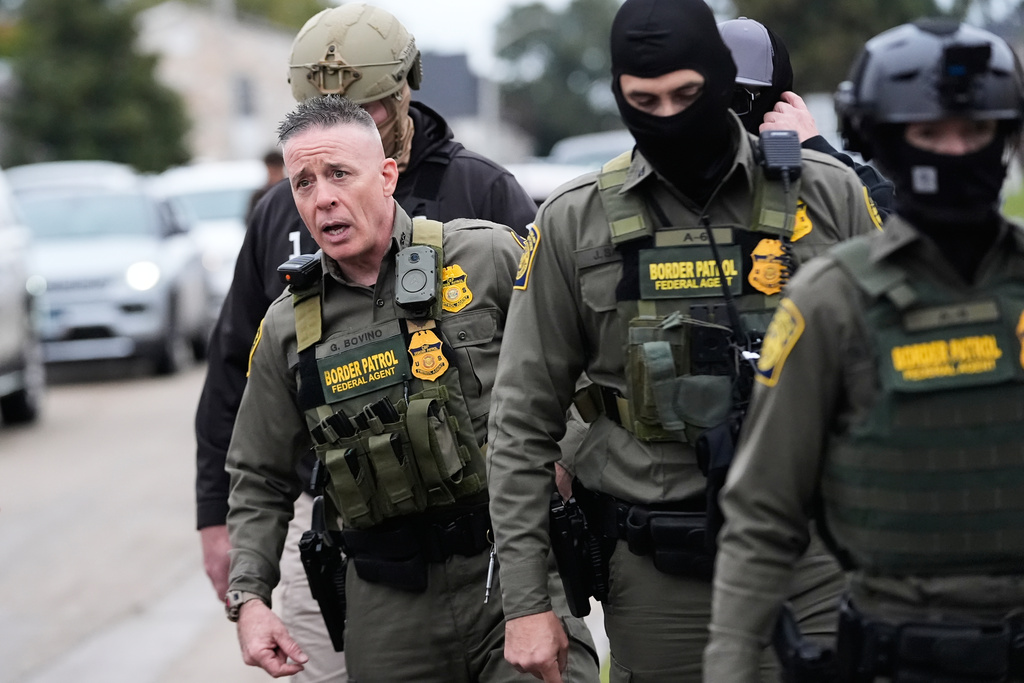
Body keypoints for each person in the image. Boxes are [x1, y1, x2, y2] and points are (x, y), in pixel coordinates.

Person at [486, 0, 883, 680]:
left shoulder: (826, 191)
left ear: (721, 78)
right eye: (644, 100)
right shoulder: (574, 222)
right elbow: (522, 418)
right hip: (661, 572)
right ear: (619, 94)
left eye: (686, 94)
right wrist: (527, 601)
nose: (667, 116)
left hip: (816, 552)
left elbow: (892, 372)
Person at [195, 5, 538, 681]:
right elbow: (240, 392)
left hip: (501, 545)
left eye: (366, 112)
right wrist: (238, 565)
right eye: (304, 182)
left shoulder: (484, 212)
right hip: (357, 537)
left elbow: (564, 361)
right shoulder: (280, 250)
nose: (322, 198)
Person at [224, 95, 598, 682]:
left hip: (511, 571)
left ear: (388, 174)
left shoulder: (485, 256)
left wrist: (566, 471)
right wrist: (249, 598)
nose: (322, 198)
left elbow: (579, 378)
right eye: (303, 184)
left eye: (339, 174)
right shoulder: (286, 328)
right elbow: (259, 474)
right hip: (387, 602)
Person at [705, 19, 1024, 681]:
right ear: (883, 142)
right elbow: (762, 513)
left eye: (976, 131)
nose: (955, 152)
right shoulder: (832, 299)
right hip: (897, 652)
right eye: (927, 134)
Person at [718, 16, 895, 216]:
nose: (719, 116)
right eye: (703, 98)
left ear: (775, 102)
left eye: (735, 99)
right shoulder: (680, 175)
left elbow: (892, 233)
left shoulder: (822, 177)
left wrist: (815, 148)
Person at [245, 149, 286, 222]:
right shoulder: (260, 196)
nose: (274, 175)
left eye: (277, 170)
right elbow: (251, 222)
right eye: (272, 170)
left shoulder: (291, 191)